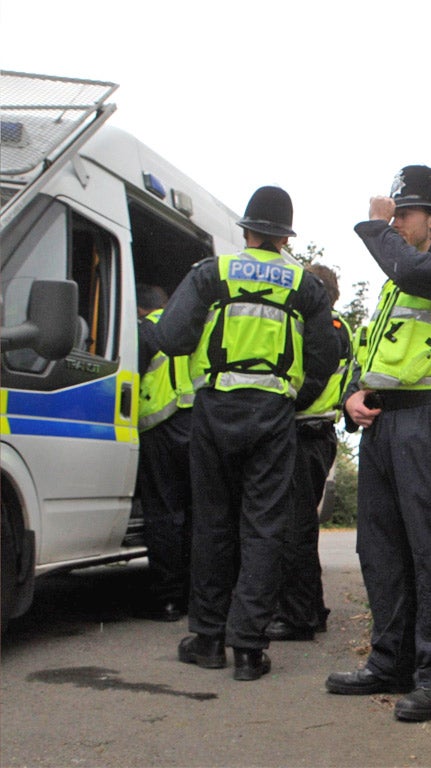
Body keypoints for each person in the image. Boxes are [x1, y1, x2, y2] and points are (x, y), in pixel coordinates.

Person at [325, 166, 431, 722]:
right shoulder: (396, 282)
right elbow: (371, 349)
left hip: (428, 421)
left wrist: (375, 229)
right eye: (391, 216)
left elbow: (412, 267)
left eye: (403, 215)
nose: (394, 224)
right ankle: (389, 662)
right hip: (381, 426)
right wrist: (352, 394)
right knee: (380, 551)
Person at [155, 186, 339, 681]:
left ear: (247, 230)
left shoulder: (212, 273)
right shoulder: (305, 285)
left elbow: (171, 337)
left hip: (214, 411)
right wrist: (291, 395)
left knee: (212, 525)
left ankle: (209, 641)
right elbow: (326, 356)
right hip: (274, 415)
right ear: (284, 237)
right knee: (264, 527)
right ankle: (250, 651)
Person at [266, 263, 353, 641]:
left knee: (294, 529)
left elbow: (313, 380)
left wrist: (277, 407)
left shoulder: (327, 329)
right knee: (296, 526)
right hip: (312, 435)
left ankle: (299, 617)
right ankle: (310, 610)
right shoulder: (333, 327)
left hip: (307, 432)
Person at [135, 283, 193, 622]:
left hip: (160, 426)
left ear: (141, 308)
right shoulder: (190, 326)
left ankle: (167, 599)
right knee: (195, 516)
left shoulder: (146, 330)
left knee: (163, 514)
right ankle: (192, 596)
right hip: (197, 427)